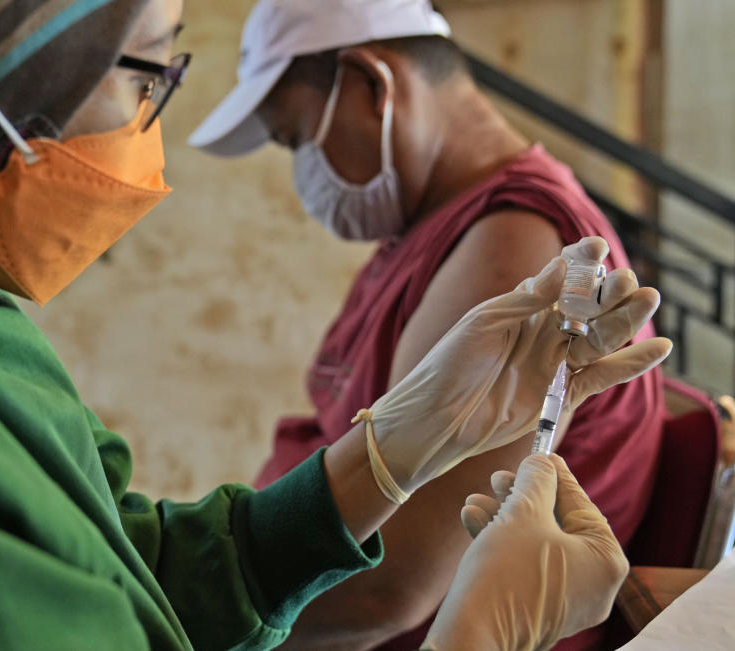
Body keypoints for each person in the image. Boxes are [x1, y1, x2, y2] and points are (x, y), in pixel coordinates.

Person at [0, 0, 668, 649]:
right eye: (145, 76)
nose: (145, 130)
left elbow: (134, 567)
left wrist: (388, 451)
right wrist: (477, 635)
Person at [190, 0, 665, 648]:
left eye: (297, 139)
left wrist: (186, 622)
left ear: (371, 85)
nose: (303, 175)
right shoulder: (432, 228)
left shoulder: (517, 244)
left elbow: (391, 589)